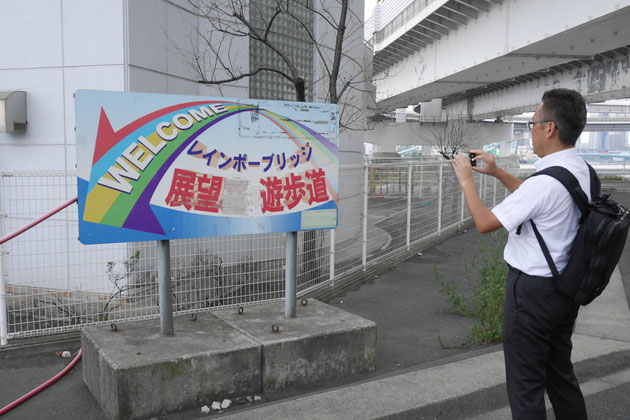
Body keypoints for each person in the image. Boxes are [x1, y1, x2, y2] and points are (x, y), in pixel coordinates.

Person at [452, 88, 589, 420]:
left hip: (532, 295)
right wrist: (498, 172)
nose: (530, 129)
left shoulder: (544, 182)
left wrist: (466, 180)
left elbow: (485, 223)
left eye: (532, 123)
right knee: (560, 376)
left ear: (550, 128)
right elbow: (536, 198)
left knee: (525, 386)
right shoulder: (580, 170)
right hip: (565, 288)